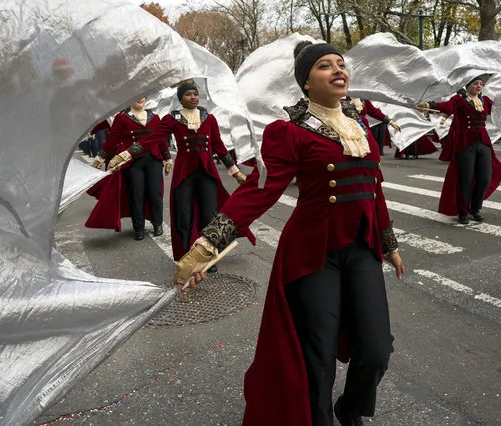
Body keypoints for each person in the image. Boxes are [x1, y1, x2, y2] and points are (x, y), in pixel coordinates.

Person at [173, 41, 404, 426]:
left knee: (376, 350)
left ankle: (350, 407)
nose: (338, 70)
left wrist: (389, 243)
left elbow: (372, 188)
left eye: (341, 64)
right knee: (318, 353)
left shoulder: (358, 125)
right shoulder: (289, 131)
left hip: (362, 249)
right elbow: (260, 189)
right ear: (307, 83)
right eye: (325, 66)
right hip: (313, 254)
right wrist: (206, 245)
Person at [108, 82, 250, 267]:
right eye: (188, 94)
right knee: (184, 217)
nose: (193, 97)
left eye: (195, 94)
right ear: (180, 98)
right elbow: (153, 139)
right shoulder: (171, 119)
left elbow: (219, 147)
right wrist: (125, 154)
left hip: (207, 174)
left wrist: (236, 173)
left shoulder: (209, 118)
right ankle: (187, 255)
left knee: (209, 217)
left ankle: (207, 258)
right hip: (185, 175)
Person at [418, 76, 501, 224]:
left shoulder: (486, 101)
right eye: (475, 84)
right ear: (467, 85)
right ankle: (463, 211)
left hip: (483, 143)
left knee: (484, 177)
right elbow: (447, 106)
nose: (478, 86)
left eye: (480, 84)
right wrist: (429, 105)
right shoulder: (459, 100)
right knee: (466, 178)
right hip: (465, 144)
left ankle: (475, 208)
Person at [86, 98, 171, 240]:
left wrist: (167, 157)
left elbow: (160, 139)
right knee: (136, 194)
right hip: (132, 162)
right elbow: (112, 138)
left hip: (153, 159)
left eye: (143, 96)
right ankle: (139, 228)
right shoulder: (121, 117)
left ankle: (157, 224)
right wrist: (100, 157)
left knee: (155, 194)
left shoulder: (154, 117)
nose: (140, 99)